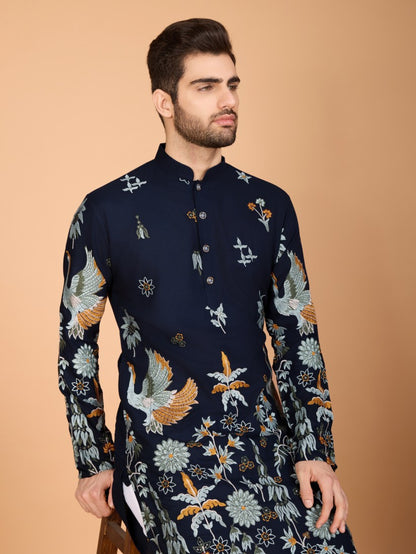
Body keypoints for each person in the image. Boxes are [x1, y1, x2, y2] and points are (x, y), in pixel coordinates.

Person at [58, 18, 357, 554]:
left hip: (266, 442)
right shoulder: (106, 210)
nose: (228, 100)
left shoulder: (268, 206)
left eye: (232, 84)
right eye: (206, 86)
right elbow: (76, 345)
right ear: (164, 102)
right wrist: (93, 458)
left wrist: (315, 450)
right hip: (160, 451)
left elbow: (297, 335)